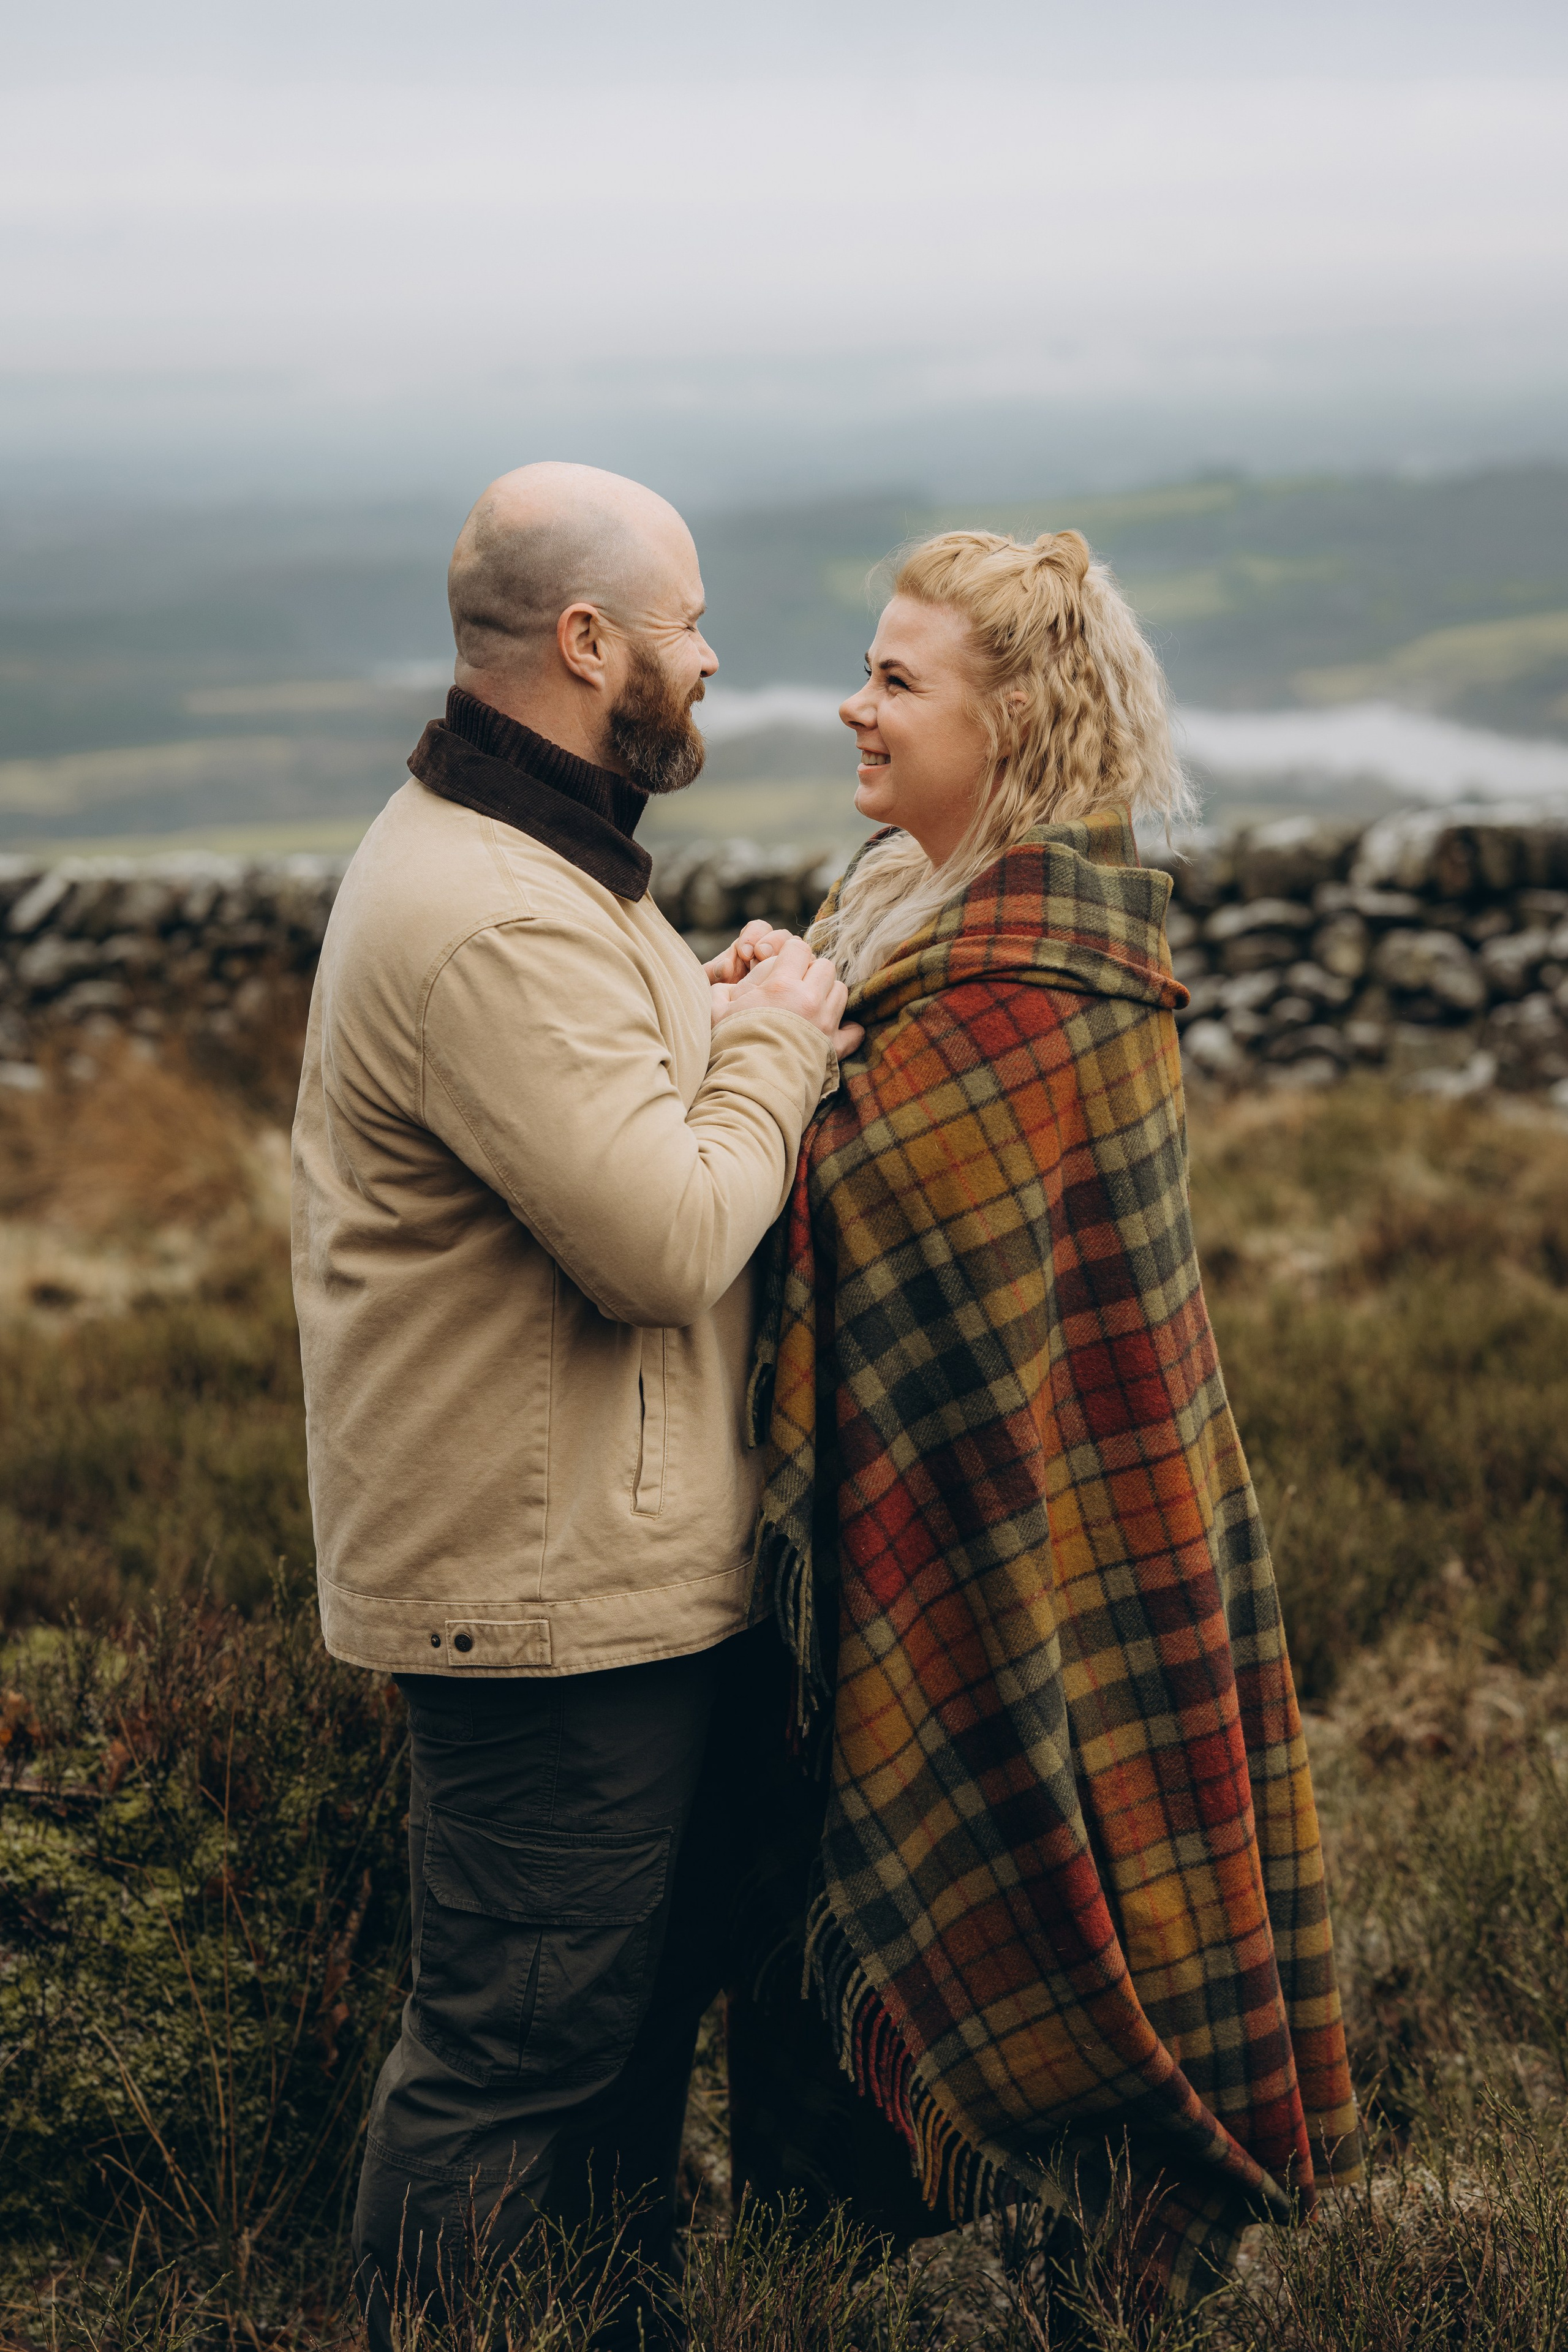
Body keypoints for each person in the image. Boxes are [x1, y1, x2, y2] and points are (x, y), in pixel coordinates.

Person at [734, 528, 1360, 2302]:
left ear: (1010, 723)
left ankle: (1035, 2252)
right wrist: (776, 1019)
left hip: (1032, 1567)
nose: (855, 706)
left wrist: (762, 1059)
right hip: (904, 1555)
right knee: (810, 2019)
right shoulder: (891, 919)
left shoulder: (1038, 981)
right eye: (867, 669)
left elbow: (833, 1207)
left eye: (897, 680)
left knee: (1020, 1898)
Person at [290, 461, 856, 2348]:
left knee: (614, 2043)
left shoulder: (531, 863)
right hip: (542, 1601)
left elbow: (589, 1095)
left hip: (597, 1577)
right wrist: (777, 1048)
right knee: (517, 2055)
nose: (713, 658)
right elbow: (664, 1239)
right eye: (688, 625)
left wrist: (702, 1008)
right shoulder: (491, 912)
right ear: (590, 641)